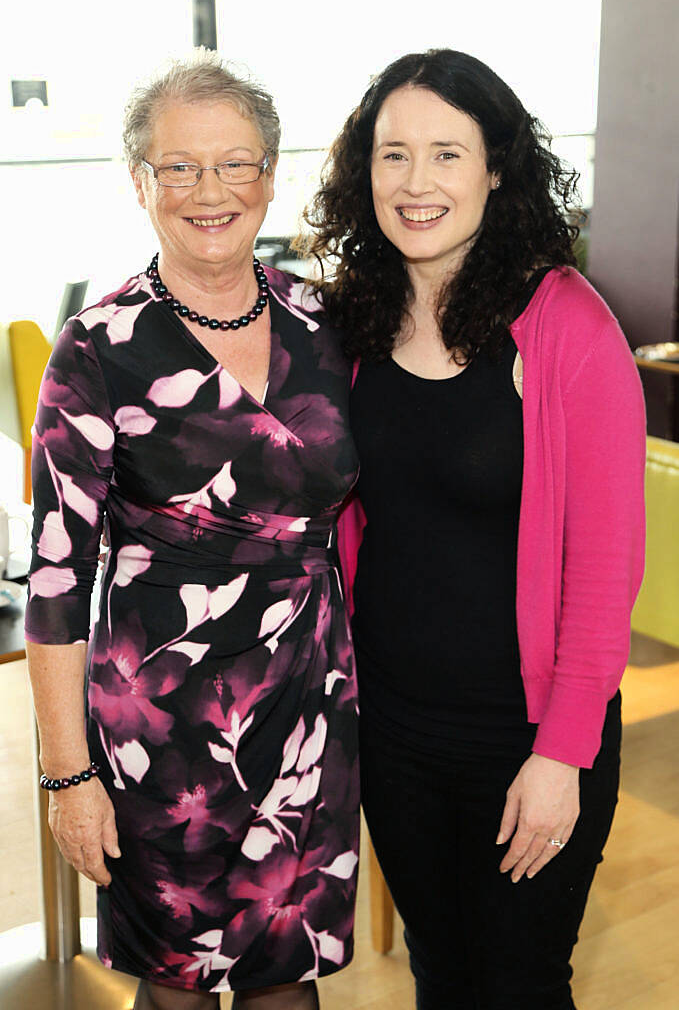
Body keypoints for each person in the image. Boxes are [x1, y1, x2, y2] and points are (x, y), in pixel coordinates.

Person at [299, 50, 646, 1009]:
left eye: (446, 154)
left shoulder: (567, 325)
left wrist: (561, 754)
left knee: (518, 983)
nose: (417, 184)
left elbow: (606, 566)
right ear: (360, 169)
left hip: (524, 732)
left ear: (497, 167)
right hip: (395, 728)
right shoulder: (352, 322)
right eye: (393, 154)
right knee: (439, 971)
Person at [25, 49, 359, 1010]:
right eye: (178, 166)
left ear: (270, 172)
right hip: (159, 735)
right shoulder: (99, 344)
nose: (209, 191)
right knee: (173, 988)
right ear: (139, 181)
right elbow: (55, 579)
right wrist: (66, 775)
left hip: (309, 710)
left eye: (235, 163)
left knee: (288, 980)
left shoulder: (325, 323)